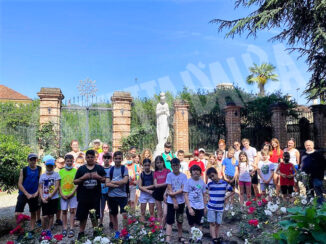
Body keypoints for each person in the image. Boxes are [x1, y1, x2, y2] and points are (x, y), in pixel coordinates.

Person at [74, 150, 106, 240]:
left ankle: (95, 231)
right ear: (86, 158)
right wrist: (83, 178)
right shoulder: (81, 169)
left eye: (92, 157)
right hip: (83, 197)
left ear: (95, 158)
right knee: (82, 216)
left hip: (95, 197)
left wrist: (98, 177)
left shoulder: (99, 168)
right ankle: (81, 232)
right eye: (88, 157)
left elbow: (105, 180)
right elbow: (75, 181)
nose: (90, 158)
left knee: (94, 215)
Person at [15, 153, 41, 239]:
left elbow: (40, 183)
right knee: (17, 213)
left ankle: (32, 230)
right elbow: (19, 184)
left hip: (34, 194)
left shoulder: (39, 169)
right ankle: (21, 231)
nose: (33, 161)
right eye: (31, 159)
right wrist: (27, 194)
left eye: (34, 159)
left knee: (33, 212)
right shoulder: (24, 170)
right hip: (23, 194)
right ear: (28, 160)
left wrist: (37, 192)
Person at [206, 167, 234, 244]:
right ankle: (214, 238)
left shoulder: (224, 183)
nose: (212, 178)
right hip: (211, 206)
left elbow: (232, 191)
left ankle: (217, 237)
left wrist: (225, 197)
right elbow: (204, 190)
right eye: (210, 177)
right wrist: (208, 196)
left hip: (220, 207)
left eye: (212, 176)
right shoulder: (210, 184)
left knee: (218, 223)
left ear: (216, 173)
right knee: (212, 223)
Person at [165, 158, 187, 244]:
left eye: (176, 165)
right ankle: (167, 239)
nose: (175, 167)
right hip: (171, 202)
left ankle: (180, 236)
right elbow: (169, 188)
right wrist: (174, 201)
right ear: (171, 166)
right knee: (169, 221)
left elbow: (183, 188)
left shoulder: (184, 176)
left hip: (181, 202)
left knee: (180, 220)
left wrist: (173, 193)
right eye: (173, 166)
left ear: (179, 165)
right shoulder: (169, 175)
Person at [106, 151, 129, 231]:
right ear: (113, 159)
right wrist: (118, 184)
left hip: (122, 195)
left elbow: (125, 181)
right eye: (116, 158)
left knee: (125, 214)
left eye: (119, 158)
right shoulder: (110, 170)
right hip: (112, 196)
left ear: (122, 159)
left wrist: (113, 182)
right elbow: (107, 183)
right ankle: (116, 232)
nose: (118, 160)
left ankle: (125, 232)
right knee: (114, 214)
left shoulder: (124, 169)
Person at [39, 156, 61, 236]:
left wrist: (50, 196)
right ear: (46, 166)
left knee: (51, 214)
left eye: (51, 166)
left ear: (54, 166)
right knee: (45, 216)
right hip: (44, 198)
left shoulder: (56, 175)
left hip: (53, 198)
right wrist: (42, 197)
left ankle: (49, 229)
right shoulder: (42, 176)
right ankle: (44, 229)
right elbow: (40, 187)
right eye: (48, 166)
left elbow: (57, 187)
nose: (50, 167)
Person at [300, 140, 325, 205]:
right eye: (307, 145)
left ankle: (320, 207)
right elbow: (301, 164)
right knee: (309, 192)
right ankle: (310, 205)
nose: (308, 146)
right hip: (306, 177)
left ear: (313, 145)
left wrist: (320, 175)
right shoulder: (303, 154)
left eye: (310, 145)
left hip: (317, 176)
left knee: (318, 191)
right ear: (305, 146)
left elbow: (324, 165)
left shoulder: (318, 154)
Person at [184, 165, 207, 234]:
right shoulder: (188, 182)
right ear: (191, 172)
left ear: (200, 172)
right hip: (191, 206)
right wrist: (189, 208)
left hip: (201, 207)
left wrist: (205, 207)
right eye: (194, 170)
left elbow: (204, 195)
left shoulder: (202, 182)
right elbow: (185, 195)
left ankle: (199, 238)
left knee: (200, 224)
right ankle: (193, 237)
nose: (196, 172)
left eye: (197, 170)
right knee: (192, 224)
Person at [59, 154, 78, 238]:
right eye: (67, 161)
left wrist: (72, 192)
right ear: (65, 162)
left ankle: (71, 228)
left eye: (71, 161)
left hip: (73, 195)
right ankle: (64, 227)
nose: (69, 162)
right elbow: (58, 184)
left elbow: (77, 184)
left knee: (72, 211)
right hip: (63, 195)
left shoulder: (75, 171)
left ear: (73, 161)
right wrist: (62, 194)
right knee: (64, 211)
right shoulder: (61, 171)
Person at [153, 155, 170, 227]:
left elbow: (169, 183)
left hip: (166, 192)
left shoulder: (168, 171)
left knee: (165, 213)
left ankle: (162, 226)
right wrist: (165, 183)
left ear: (163, 162)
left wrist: (164, 184)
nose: (159, 164)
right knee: (159, 212)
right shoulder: (155, 173)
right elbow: (155, 185)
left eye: (160, 162)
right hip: (158, 192)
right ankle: (159, 228)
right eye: (157, 163)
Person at [99, 153, 112, 228]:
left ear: (110, 159)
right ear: (102, 159)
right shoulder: (100, 168)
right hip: (101, 191)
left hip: (110, 191)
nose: (106, 159)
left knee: (110, 208)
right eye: (105, 158)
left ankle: (111, 221)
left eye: (108, 158)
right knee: (101, 208)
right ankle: (100, 222)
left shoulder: (112, 168)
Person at [54, 158, 65, 226]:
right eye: (60, 162)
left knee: (59, 207)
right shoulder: (54, 170)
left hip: (62, 190)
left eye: (63, 162)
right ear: (56, 163)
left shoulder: (64, 169)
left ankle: (58, 219)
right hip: (54, 191)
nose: (61, 164)